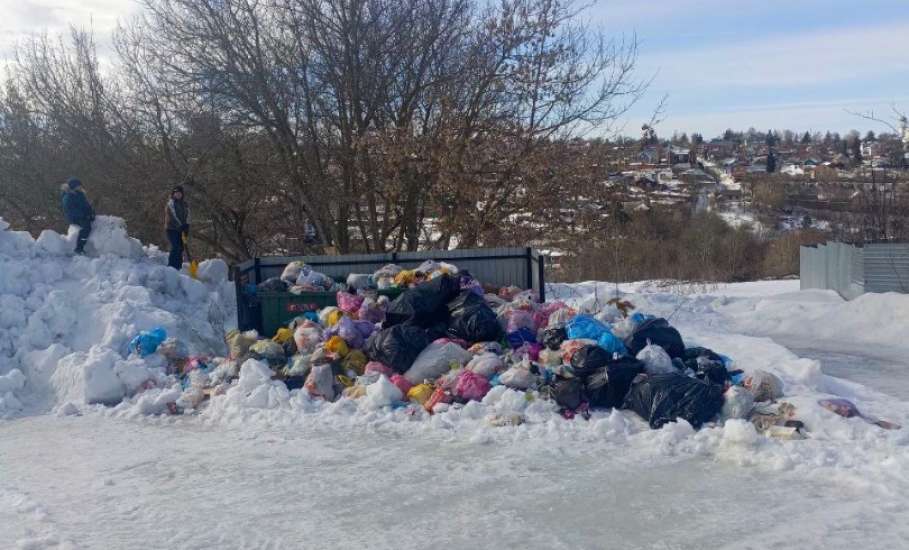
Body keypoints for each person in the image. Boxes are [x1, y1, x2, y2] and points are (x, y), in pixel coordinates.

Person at [60, 177, 95, 254]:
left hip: (83, 215)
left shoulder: (80, 194)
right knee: (87, 227)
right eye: (78, 185)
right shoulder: (68, 196)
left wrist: (91, 213)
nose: (80, 187)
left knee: (94, 222)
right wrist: (84, 215)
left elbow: (86, 205)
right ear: (73, 186)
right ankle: (79, 248)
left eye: (80, 185)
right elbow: (71, 210)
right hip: (74, 217)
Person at [164, 185, 190, 270]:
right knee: (176, 246)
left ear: (182, 194)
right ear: (173, 194)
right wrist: (180, 226)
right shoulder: (170, 204)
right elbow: (173, 216)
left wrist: (187, 226)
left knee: (181, 248)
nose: (178, 195)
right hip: (171, 229)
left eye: (179, 193)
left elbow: (188, 216)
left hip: (181, 229)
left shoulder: (185, 204)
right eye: (176, 193)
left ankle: (178, 267)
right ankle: (171, 266)